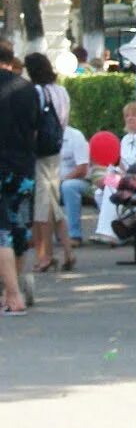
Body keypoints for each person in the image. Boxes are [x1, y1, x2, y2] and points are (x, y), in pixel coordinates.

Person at [0, 45, 41, 315]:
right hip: (23, 168)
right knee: (19, 227)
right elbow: (36, 130)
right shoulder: (27, 89)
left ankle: (12, 294)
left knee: (1, 230)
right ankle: (12, 286)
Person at [24, 53, 72, 273]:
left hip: (40, 152)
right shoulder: (61, 91)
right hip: (56, 148)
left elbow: (32, 124)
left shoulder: (36, 92)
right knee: (53, 202)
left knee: (42, 206)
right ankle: (68, 251)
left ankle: (44, 255)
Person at [58, 124, 92, 245]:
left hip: (83, 182)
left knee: (68, 186)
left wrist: (61, 181)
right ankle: (31, 236)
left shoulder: (75, 136)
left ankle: (74, 235)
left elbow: (82, 169)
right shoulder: (43, 135)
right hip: (54, 182)